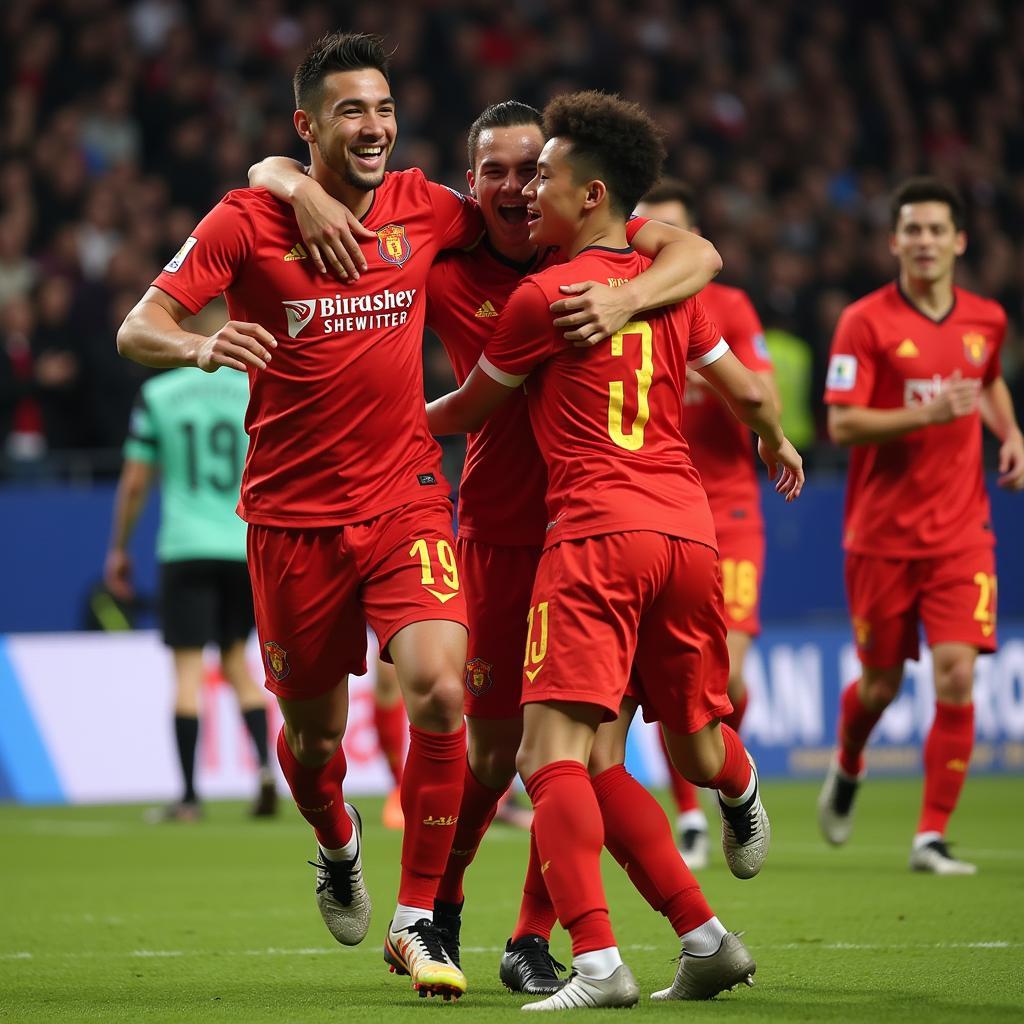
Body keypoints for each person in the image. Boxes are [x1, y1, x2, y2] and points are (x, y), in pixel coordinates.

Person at [249, 99, 722, 996]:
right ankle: (447, 905)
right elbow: (309, 195)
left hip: (595, 535)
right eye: (495, 172)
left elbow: (700, 251)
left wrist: (624, 294)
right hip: (504, 536)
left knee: (581, 756)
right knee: (495, 756)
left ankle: (533, 936)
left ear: (561, 182)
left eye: (528, 169)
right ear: (470, 187)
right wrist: (278, 172)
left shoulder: (585, 250)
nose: (515, 187)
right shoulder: (446, 252)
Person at [117, 31, 489, 1001]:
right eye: (350, 111)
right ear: (308, 124)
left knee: (444, 691)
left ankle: (416, 921)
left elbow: (529, 230)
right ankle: (335, 840)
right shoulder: (246, 220)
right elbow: (137, 326)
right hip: (290, 522)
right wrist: (201, 347)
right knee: (316, 742)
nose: (373, 127)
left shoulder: (426, 207)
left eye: (383, 107)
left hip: (405, 494)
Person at [427, 90, 803, 1010]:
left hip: (595, 540)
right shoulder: (671, 288)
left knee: (543, 755)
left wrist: (369, 425)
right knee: (674, 745)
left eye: (545, 178)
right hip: (689, 531)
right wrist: (772, 438)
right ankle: (711, 918)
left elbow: (469, 409)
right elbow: (746, 389)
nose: (528, 195)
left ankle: (594, 962)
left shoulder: (542, 298)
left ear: (590, 194)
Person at [819, 176, 1024, 875]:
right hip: (880, 536)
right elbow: (842, 423)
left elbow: (987, 377)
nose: (926, 241)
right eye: (913, 229)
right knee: (878, 687)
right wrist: (929, 414)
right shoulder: (864, 322)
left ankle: (930, 836)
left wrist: (1010, 430)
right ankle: (849, 762)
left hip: (963, 533)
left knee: (957, 675)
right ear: (894, 241)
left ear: (960, 241)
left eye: (938, 230)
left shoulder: (986, 319)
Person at [635, 179, 777, 869]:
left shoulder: (722, 308)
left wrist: (716, 372)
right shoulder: (616, 302)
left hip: (729, 507)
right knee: (665, 678)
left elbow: (760, 391)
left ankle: (729, 791)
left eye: (675, 231)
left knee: (731, 677)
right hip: (650, 511)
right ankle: (691, 815)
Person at [106, 367, 276, 821]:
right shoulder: (254, 386)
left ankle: (187, 797)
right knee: (238, 661)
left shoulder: (159, 394)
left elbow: (137, 480)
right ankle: (263, 769)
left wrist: (119, 548)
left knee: (187, 672)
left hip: (185, 546)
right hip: (243, 543)